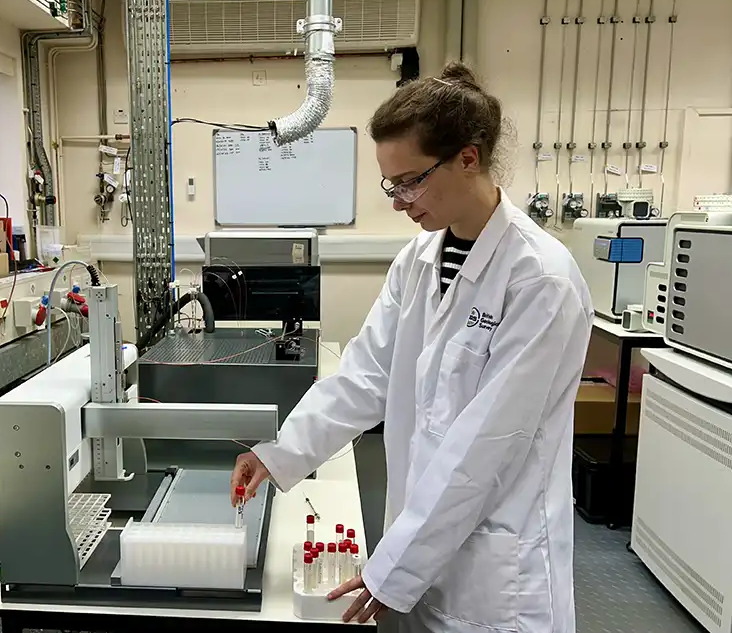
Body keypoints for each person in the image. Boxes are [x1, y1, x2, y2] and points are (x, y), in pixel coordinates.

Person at [230, 62, 593, 633]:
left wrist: (396, 566)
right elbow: (365, 376)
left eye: (411, 181)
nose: (399, 201)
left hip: (497, 573)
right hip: (420, 539)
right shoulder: (417, 262)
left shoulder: (539, 280)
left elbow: (486, 446)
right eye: (390, 184)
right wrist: (278, 454)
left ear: (468, 158)